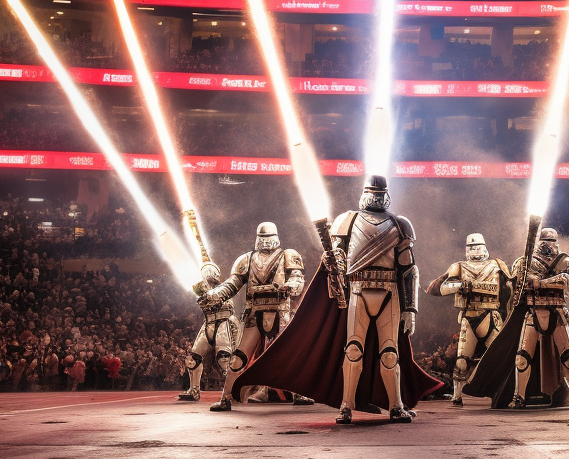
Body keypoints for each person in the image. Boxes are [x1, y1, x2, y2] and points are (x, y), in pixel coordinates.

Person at [228, 174, 440, 424]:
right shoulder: (348, 221)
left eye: (378, 192)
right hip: (357, 289)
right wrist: (332, 265)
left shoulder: (400, 224)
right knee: (353, 349)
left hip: (387, 291)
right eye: (373, 192)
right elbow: (337, 258)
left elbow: (408, 270)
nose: (375, 196)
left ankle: (396, 405)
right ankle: (346, 405)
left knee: (389, 352)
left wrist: (411, 309)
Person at [466, 227, 569, 409]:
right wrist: (536, 281)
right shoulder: (525, 261)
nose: (547, 245)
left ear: (556, 243)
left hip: (557, 312)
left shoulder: (565, 261)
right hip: (533, 312)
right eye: (545, 241)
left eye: (551, 242)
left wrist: (541, 282)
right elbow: (518, 286)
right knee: (522, 358)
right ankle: (519, 396)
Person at [198, 222, 305, 412]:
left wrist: (290, 286)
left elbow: (297, 278)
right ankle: (226, 397)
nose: (265, 242)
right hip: (254, 313)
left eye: (268, 238)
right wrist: (214, 295)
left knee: (289, 352)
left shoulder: (288, 255)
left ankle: (299, 393)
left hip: (280, 311)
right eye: (262, 238)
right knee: (239, 357)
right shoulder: (246, 259)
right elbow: (233, 284)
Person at [426, 233, 512, 406]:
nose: (475, 249)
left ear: (485, 247)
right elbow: (434, 288)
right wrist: (459, 286)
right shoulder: (458, 267)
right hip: (470, 316)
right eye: (471, 247)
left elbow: (510, 290)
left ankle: (502, 392)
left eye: (477, 246)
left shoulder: (497, 265)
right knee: (462, 360)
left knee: (499, 357)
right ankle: (457, 395)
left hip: (492, 315)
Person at [176, 261, 241, 403]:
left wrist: (211, 296)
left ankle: (232, 391)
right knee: (192, 359)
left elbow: (227, 304)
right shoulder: (201, 289)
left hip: (224, 323)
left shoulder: (226, 288)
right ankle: (194, 390)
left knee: (225, 359)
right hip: (209, 324)